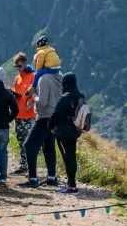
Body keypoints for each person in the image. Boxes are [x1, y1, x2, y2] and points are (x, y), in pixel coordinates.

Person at [21, 60, 62, 188]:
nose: (34, 62)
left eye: (36, 60)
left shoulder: (43, 78)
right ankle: (51, 177)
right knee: (48, 146)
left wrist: (33, 94)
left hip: (44, 117)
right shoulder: (59, 75)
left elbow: (42, 102)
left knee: (29, 145)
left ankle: (33, 179)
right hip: (55, 116)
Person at [49, 72, 85, 194]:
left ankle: (72, 186)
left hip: (64, 132)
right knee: (71, 156)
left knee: (67, 157)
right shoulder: (79, 96)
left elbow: (56, 114)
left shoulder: (65, 98)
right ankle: (72, 183)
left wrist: (50, 126)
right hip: (75, 131)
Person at [11, 53, 36, 175]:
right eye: (16, 66)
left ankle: (31, 167)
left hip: (29, 115)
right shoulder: (17, 78)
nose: (18, 68)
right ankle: (23, 165)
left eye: (19, 66)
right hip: (18, 115)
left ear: (25, 63)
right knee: (20, 140)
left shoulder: (33, 76)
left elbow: (37, 93)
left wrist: (31, 101)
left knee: (29, 141)